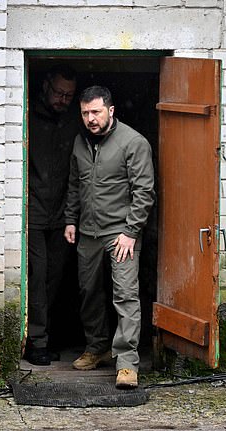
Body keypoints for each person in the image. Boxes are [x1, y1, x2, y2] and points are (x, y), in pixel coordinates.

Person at [63, 86, 155, 389]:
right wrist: (70, 220)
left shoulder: (133, 142)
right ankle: (97, 347)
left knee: (125, 295)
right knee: (88, 291)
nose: (90, 119)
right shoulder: (80, 141)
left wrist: (131, 232)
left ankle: (127, 362)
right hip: (88, 232)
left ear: (111, 111)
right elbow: (75, 184)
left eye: (96, 112)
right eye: (86, 113)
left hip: (121, 233)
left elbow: (144, 192)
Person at [26, 65, 79, 365]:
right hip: (34, 213)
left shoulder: (73, 121)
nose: (62, 99)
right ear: (46, 85)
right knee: (37, 277)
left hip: (63, 215)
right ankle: (36, 341)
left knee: (56, 279)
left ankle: (49, 337)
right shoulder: (28, 114)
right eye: (59, 93)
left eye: (68, 95)